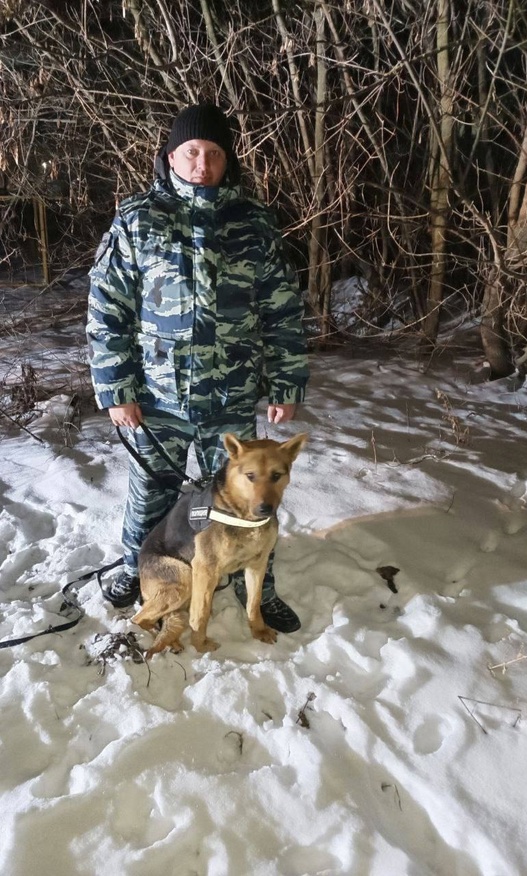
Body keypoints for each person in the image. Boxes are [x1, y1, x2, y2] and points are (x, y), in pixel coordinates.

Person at [87, 103, 309, 633]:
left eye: (213, 153)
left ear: (227, 160)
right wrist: (116, 386)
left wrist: (286, 378)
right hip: (156, 397)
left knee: (242, 498)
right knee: (154, 494)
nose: (202, 163)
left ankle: (259, 585)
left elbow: (282, 306)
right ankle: (133, 570)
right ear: (171, 157)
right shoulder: (138, 218)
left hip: (229, 398)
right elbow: (107, 306)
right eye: (192, 152)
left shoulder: (253, 222)